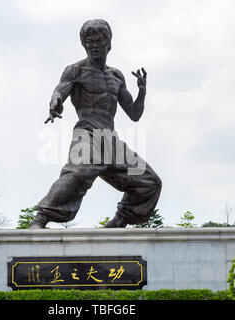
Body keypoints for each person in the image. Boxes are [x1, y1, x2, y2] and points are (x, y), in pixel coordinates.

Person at [29, 19, 162, 229]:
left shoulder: (116, 76)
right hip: (87, 132)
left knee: (150, 182)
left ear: (108, 43)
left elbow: (134, 114)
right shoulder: (75, 70)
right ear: (84, 44)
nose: (94, 46)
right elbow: (60, 90)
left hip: (109, 138)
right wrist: (55, 101)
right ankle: (41, 219)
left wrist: (142, 92)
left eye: (99, 40)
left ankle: (120, 221)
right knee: (78, 172)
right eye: (89, 42)